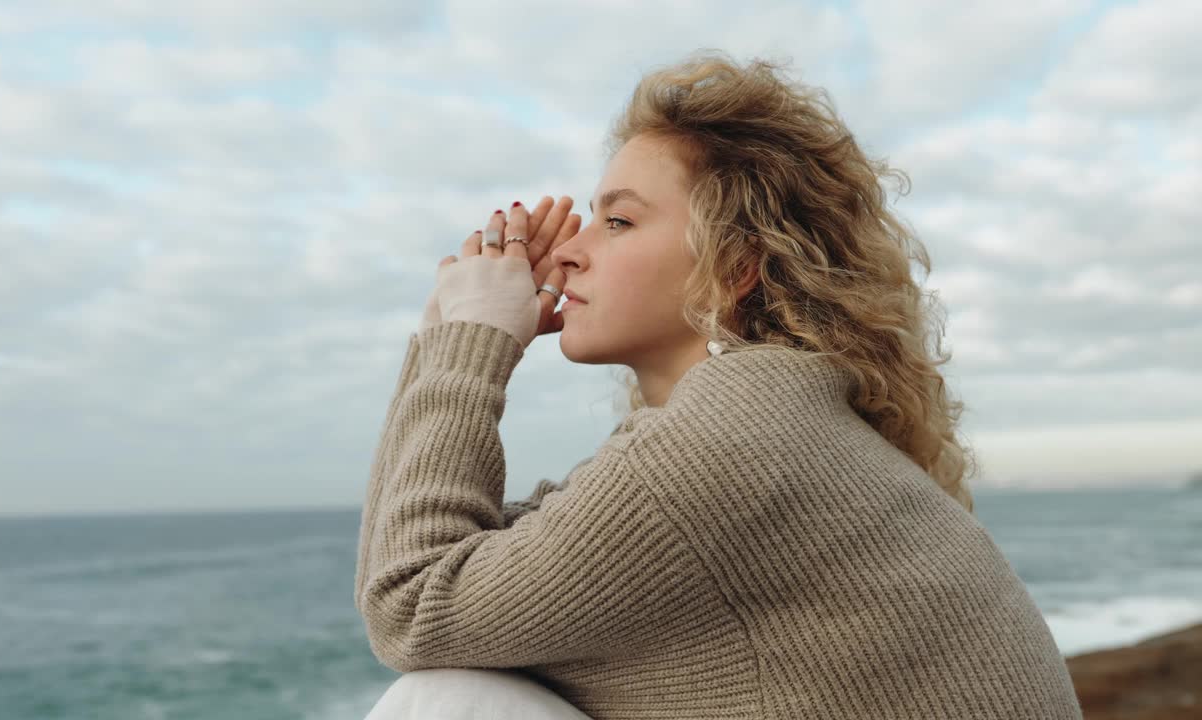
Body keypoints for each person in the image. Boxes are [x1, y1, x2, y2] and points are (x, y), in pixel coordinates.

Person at [355, 49, 1084, 719]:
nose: (569, 252)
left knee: (447, 699)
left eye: (616, 221)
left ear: (736, 264)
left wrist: (466, 345)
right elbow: (426, 574)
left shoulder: (740, 429)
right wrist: (440, 337)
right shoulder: (755, 414)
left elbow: (413, 606)